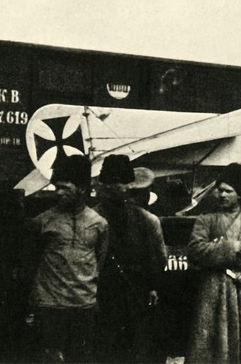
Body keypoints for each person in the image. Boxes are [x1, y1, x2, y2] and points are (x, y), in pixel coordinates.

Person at [28, 155, 109, 362]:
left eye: (65, 188)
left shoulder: (99, 224)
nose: (59, 192)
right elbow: (31, 260)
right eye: (57, 187)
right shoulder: (43, 221)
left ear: (81, 188)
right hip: (50, 305)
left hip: (83, 305)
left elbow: (99, 262)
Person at [187, 163, 241, 364]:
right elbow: (194, 250)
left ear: (239, 194)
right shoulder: (206, 220)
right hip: (212, 287)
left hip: (240, 289)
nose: (222, 195)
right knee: (209, 340)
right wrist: (228, 248)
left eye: (228, 191)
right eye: (219, 190)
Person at [92, 156, 167, 363]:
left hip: (135, 294)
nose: (122, 187)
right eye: (117, 182)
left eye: (124, 182)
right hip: (104, 294)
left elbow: (158, 259)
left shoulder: (147, 220)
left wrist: (152, 287)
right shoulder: (93, 219)